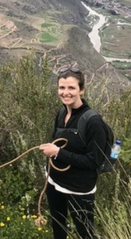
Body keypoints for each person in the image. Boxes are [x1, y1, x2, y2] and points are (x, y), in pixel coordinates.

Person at [38, 67, 107, 239]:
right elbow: (59, 143)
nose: (65, 93)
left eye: (71, 88)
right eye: (62, 88)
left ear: (81, 90)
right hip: (55, 181)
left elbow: (94, 162)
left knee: (85, 233)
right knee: (58, 227)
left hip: (79, 188)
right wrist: (53, 150)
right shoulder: (62, 112)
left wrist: (58, 152)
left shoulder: (93, 121)